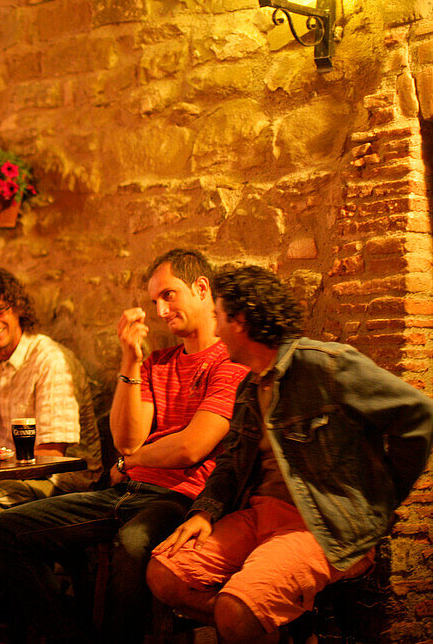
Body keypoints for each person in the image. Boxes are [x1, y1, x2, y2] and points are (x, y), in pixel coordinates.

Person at [148, 265, 433, 643]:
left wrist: (383, 497)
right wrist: (205, 511)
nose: (214, 330)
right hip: (262, 514)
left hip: (321, 523)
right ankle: (266, 627)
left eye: (219, 318)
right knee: (164, 573)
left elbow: (418, 415)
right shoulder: (250, 386)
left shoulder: (325, 364)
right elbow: (232, 461)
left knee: (235, 610)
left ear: (243, 319)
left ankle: (246, 617)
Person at [0, 248, 248, 642]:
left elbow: (192, 447)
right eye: (154, 301)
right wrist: (129, 359)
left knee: (133, 543)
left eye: (168, 295)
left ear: (202, 287)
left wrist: (129, 462)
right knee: (4, 530)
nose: (160, 310)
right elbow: (127, 439)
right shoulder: (158, 363)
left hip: (179, 498)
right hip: (123, 492)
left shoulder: (230, 362)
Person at [0, 267, 101, 543]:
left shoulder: (48, 359)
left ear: (18, 309)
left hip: (60, 481)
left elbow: (51, 457)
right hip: (9, 477)